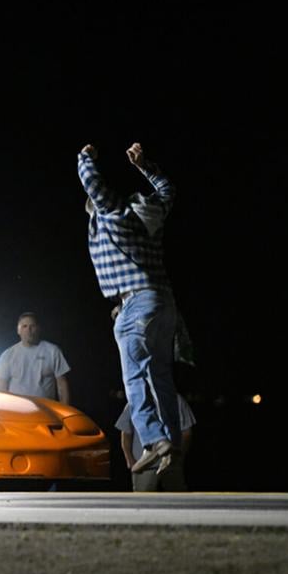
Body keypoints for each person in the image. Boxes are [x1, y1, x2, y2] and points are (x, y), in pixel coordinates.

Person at [78, 142, 180, 475]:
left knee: (134, 374)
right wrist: (144, 164)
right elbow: (167, 190)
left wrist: (86, 157)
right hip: (164, 302)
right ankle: (172, 441)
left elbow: (92, 184)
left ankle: (152, 439)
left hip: (135, 301)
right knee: (161, 376)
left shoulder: (115, 213)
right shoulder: (152, 218)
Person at [117, 395, 195, 491]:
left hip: (170, 463)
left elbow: (186, 433)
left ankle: (161, 447)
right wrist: (130, 459)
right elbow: (126, 432)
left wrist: (179, 459)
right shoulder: (136, 398)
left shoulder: (176, 399)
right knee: (143, 500)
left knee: (176, 499)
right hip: (145, 465)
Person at [0, 312, 71, 404]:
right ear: (18, 330)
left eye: (32, 326)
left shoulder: (53, 351)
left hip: (45, 411)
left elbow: (62, 384)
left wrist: (65, 410)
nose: (28, 330)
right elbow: (1, 386)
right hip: (16, 410)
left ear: (38, 329)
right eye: (24, 326)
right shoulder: (8, 354)